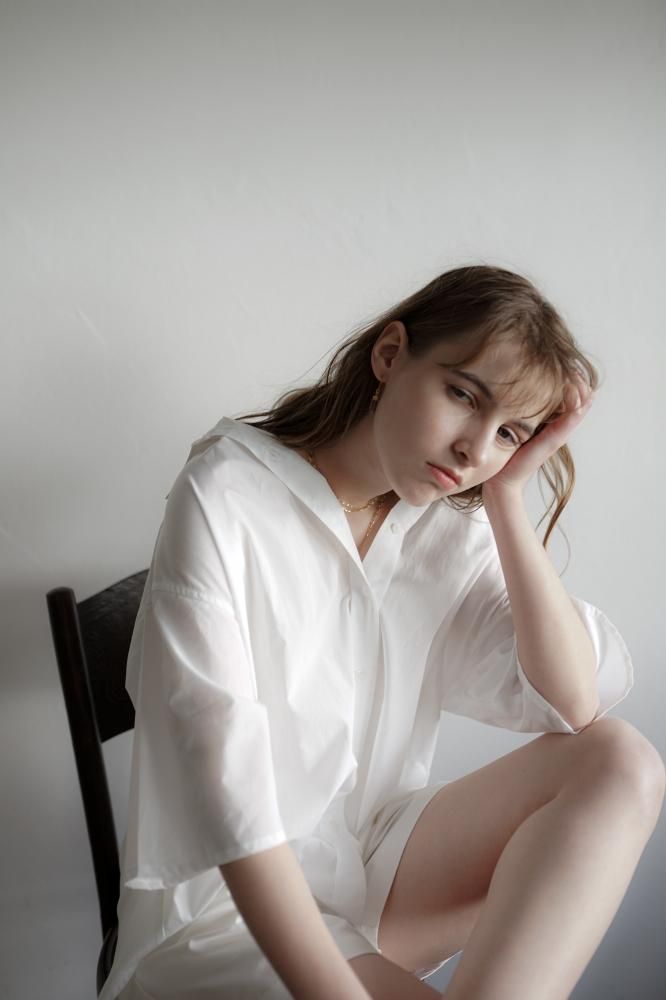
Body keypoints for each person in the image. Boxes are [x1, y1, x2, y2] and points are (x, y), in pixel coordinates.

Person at [100, 264, 664, 1000]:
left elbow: (574, 702)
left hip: (367, 871)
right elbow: (226, 798)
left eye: (509, 433)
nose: (473, 450)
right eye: (464, 396)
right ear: (391, 354)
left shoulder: (440, 524)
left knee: (619, 762)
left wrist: (508, 496)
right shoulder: (227, 493)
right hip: (223, 910)